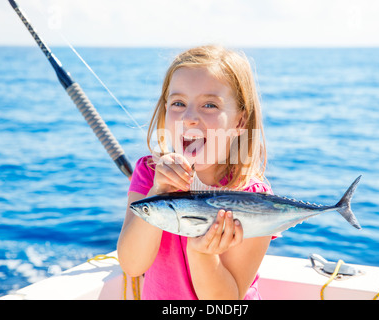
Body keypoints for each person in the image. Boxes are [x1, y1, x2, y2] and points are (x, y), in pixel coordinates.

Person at [117, 45, 273, 300]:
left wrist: (202, 253)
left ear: (239, 122)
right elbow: (132, 265)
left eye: (210, 105)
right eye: (178, 103)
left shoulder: (253, 198)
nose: (189, 117)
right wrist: (158, 192)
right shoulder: (149, 174)